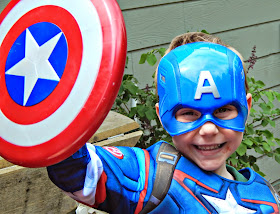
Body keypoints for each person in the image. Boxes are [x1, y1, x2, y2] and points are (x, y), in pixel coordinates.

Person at [47, 32, 280, 214]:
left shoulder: (265, 195)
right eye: (189, 113)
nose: (208, 129)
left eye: (223, 110)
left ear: (246, 108)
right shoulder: (151, 177)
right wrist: (50, 92)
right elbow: (74, 168)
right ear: (162, 115)